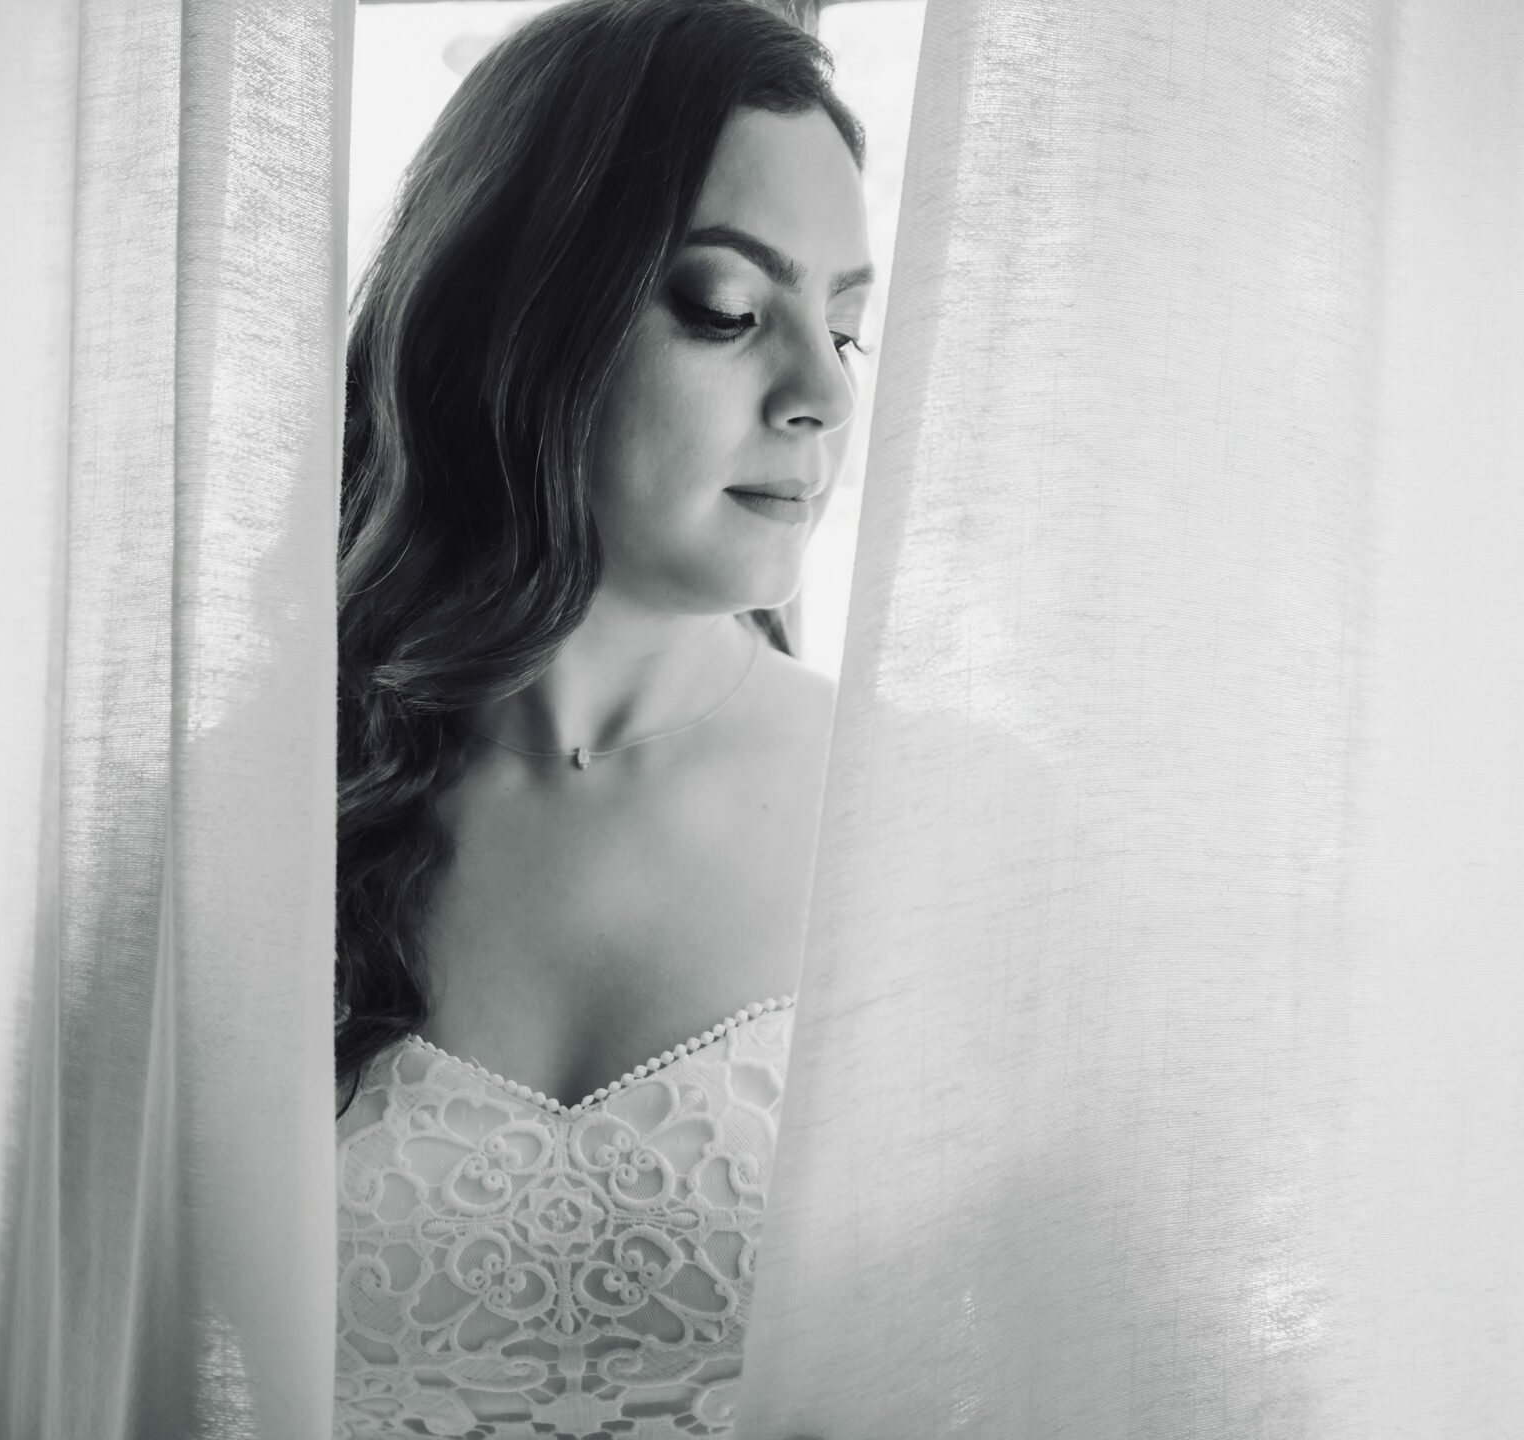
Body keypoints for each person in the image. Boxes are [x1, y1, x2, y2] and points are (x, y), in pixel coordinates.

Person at [331, 0, 873, 1433]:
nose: (822, 391)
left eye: (849, 326)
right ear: (514, 317)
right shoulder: (248, 822)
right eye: (729, 310)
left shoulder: (935, 822)